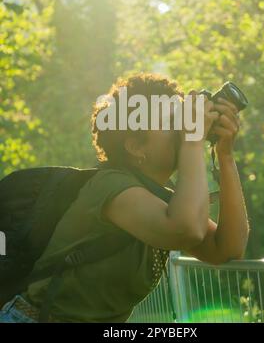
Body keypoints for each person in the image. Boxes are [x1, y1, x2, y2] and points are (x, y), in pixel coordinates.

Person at [0, 73, 249, 323]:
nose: (183, 128)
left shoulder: (162, 200)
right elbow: (186, 230)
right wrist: (193, 141)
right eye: (172, 121)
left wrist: (225, 155)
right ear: (135, 147)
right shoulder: (110, 188)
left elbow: (226, 249)